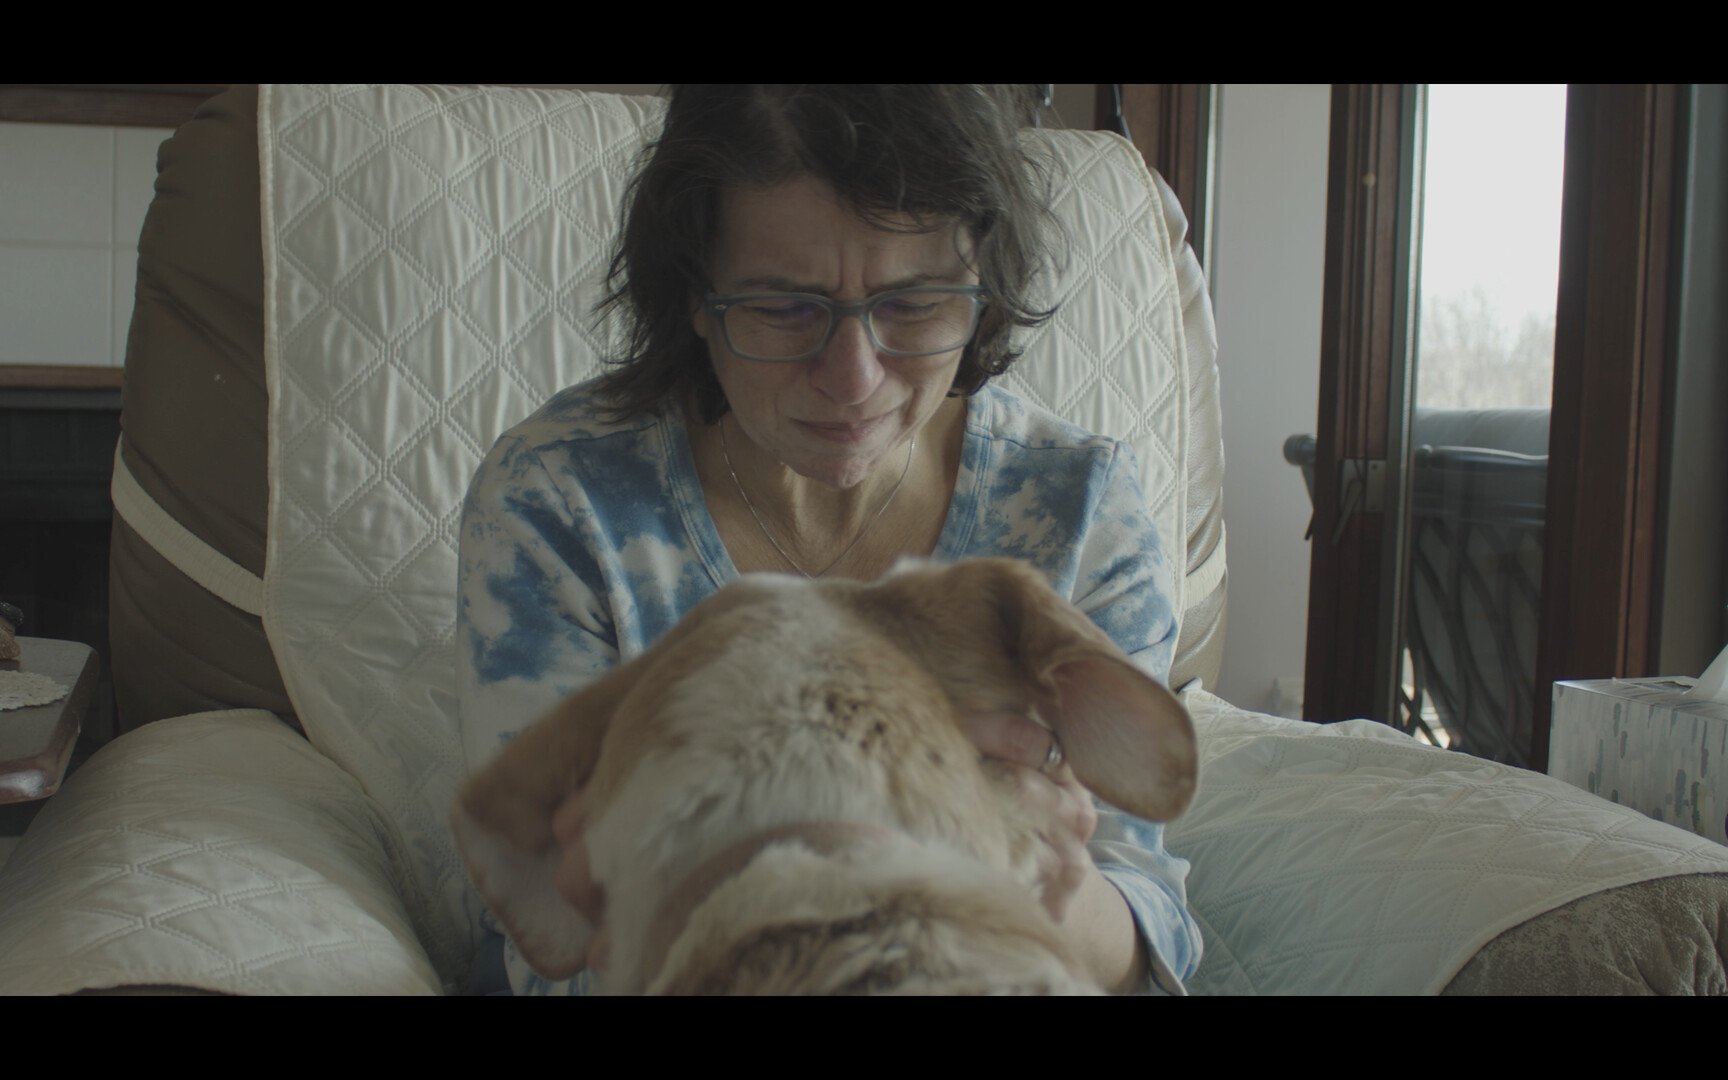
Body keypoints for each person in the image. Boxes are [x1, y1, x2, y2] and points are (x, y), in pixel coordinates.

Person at [457, 84, 1202, 995]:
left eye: (914, 304)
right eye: (783, 310)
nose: (852, 379)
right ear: (695, 295)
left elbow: (1146, 946)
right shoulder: (562, 498)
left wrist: (1035, 874)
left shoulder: (1076, 506)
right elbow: (552, 942)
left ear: (982, 288)